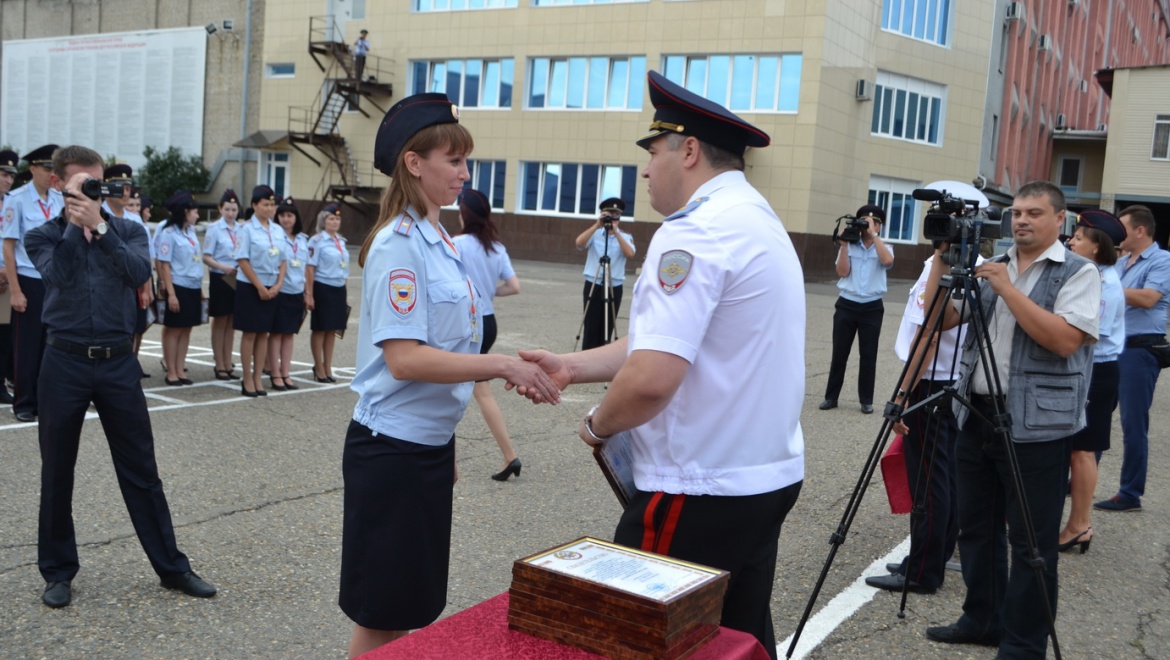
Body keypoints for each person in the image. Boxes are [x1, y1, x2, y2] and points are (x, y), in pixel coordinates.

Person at [513, 71, 804, 658]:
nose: (645, 170)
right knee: (737, 638)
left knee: (644, 640)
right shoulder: (756, 221)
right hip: (760, 477)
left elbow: (649, 381)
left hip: (696, 487)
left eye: (653, 152)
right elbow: (664, 340)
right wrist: (571, 365)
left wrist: (597, 426)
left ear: (689, 151)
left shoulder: (694, 234)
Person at [339, 92, 559, 658]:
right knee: (380, 615)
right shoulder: (398, 246)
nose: (465, 173)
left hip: (425, 448)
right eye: (453, 160)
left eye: (467, 161)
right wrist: (504, 362)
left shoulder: (440, 240)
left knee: (409, 607)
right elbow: (405, 359)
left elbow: (442, 354)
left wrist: (447, 439)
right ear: (415, 163)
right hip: (390, 453)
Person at [26, 145, 214, 609]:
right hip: (63, 361)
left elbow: (136, 275)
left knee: (142, 470)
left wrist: (101, 227)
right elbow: (60, 278)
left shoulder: (127, 229)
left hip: (116, 362)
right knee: (57, 472)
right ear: (58, 184)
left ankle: (172, 567)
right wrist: (77, 225)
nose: (93, 191)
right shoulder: (41, 236)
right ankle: (58, 571)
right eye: (81, 184)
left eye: (97, 182)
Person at [920, 181, 1099, 657]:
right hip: (976, 414)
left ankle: (1023, 644)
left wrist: (1005, 287)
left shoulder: (1077, 272)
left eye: (1034, 213)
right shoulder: (992, 267)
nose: (1021, 220)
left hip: (1035, 425)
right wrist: (943, 257)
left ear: (1059, 220)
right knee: (975, 529)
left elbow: (1064, 340)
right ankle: (982, 619)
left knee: (1031, 544)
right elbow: (942, 321)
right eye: (1017, 212)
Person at [866, 252, 973, 595]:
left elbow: (929, 333)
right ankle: (933, 555)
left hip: (930, 383)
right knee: (945, 477)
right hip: (956, 381)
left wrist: (903, 392)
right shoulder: (978, 260)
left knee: (928, 480)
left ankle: (923, 569)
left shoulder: (939, 265)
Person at [1057, 210, 1126, 550]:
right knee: (1076, 449)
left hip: (1096, 369)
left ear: (1098, 246)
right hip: (1092, 367)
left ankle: (1080, 525)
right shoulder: (1095, 273)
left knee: (1082, 451)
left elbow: (1082, 332)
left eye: (1081, 237)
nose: (1072, 240)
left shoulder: (1102, 283)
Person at [1095, 205, 1170, 513]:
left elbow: (1149, 298)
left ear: (1140, 231)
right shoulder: (1122, 261)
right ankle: (1084, 476)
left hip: (1140, 350)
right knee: (1095, 415)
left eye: (1122, 228)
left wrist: (1107, 286)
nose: (1116, 234)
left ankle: (1130, 493)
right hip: (1112, 347)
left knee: (1133, 423)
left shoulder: (1163, 260)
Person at [452, 188, 523, 481]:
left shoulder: (456, 243)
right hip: (488, 321)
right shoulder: (496, 246)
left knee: (454, 388)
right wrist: (486, 292)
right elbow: (514, 286)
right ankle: (509, 456)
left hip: (466, 324)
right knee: (479, 390)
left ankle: (508, 455)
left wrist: (472, 294)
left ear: (463, 213)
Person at [2, 144, 62, 422]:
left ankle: (44, 400)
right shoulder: (17, 199)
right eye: (47, 168)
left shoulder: (59, 199)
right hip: (28, 279)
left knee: (51, 345)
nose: (52, 173)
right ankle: (24, 402)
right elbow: (9, 247)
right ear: (33, 169)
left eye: (55, 168)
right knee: (27, 345)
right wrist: (15, 290)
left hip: (54, 280)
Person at [820, 204, 894, 414]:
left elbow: (888, 262)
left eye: (875, 223)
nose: (870, 226)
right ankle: (831, 397)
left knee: (868, 355)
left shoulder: (885, 247)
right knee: (839, 353)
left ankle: (866, 400)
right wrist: (843, 245)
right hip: (847, 304)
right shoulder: (850, 246)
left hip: (872, 306)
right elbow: (842, 272)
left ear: (880, 226)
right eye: (865, 221)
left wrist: (873, 236)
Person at [234, 185, 287, 397]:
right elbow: (242, 260)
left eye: (272, 204)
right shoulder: (246, 229)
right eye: (265, 204)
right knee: (250, 333)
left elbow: (283, 259)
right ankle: (247, 377)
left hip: (272, 286)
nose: (270, 208)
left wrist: (278, 285)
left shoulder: (277, 230)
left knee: (263, 333)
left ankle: (258, 377)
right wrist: (259, 287)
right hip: (250, 286)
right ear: (255, 206)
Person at [101, 165, 153, 374]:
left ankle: (125, 373)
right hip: (103, 285)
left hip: (130, 287)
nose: (125, 192)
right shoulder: (97, 214)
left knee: (129, 331)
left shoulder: (135, 219)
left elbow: (144, 259)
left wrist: (147, 289)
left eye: (128, 187)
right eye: (120, 187)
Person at [156, 191, 204, 386]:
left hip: (193, 285)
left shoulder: (190, 232)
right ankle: (171, 371)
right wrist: (171, 294)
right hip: (178, 286)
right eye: (195, 212)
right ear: (185, 212)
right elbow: (164, 264)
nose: (197, 215)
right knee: (174, 329)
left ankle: (180, 368)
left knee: (187, 329)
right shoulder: (169, 233)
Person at [574, 197, 635, 350]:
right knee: (590, 324)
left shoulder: (626, 237)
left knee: (607, 326)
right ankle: (586, 356)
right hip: (594, 284)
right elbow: (579, 244)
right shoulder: (594, 234)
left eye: (615, 215)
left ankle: (601, 357)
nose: (612, 218)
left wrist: (616, 233)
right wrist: (596, 225)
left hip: (614, 286)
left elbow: (629, 254)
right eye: (609, 214)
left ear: (619, 218)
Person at [267, 196, 308, 391]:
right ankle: (275, 374)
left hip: (296, 291)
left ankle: (285, 372)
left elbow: (306, 268)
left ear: (296, 218)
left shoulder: (302, 239)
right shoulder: (274, 236)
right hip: (279, 290)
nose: (286, 219)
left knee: (289, 334)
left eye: (290, 215)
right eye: (282, 215)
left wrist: (308, 293)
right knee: (276, 334)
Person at [306, 202, 349, 383]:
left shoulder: (341, 241)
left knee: (332, 329)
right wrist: (309, 293)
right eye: (331, 218)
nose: (335, 222)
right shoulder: (317, 241)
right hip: (322, 287)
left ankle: (328, 365)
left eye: (337, 218)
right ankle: (319, 366)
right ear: (323, 222)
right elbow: (309, 268)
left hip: (339, 288)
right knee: (320, 328)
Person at [202, 190, 243, 380]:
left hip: (236, 278)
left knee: (231, 322)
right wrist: (223, 267)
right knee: (220, 321)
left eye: (234, 209)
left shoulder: (240, 229)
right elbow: (206, 257)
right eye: (227, 209)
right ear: (220, 208)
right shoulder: (214, 229)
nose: (230, 213)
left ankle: (228, 362)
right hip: (220, 278)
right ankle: (219, 363)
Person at [0, 149, 19, 404]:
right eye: (3, 174)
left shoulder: (13, 203)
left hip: (6, 278)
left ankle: (1, 383)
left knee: (4, 335)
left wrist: (6, 272)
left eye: (11, 176)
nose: (7, 180)